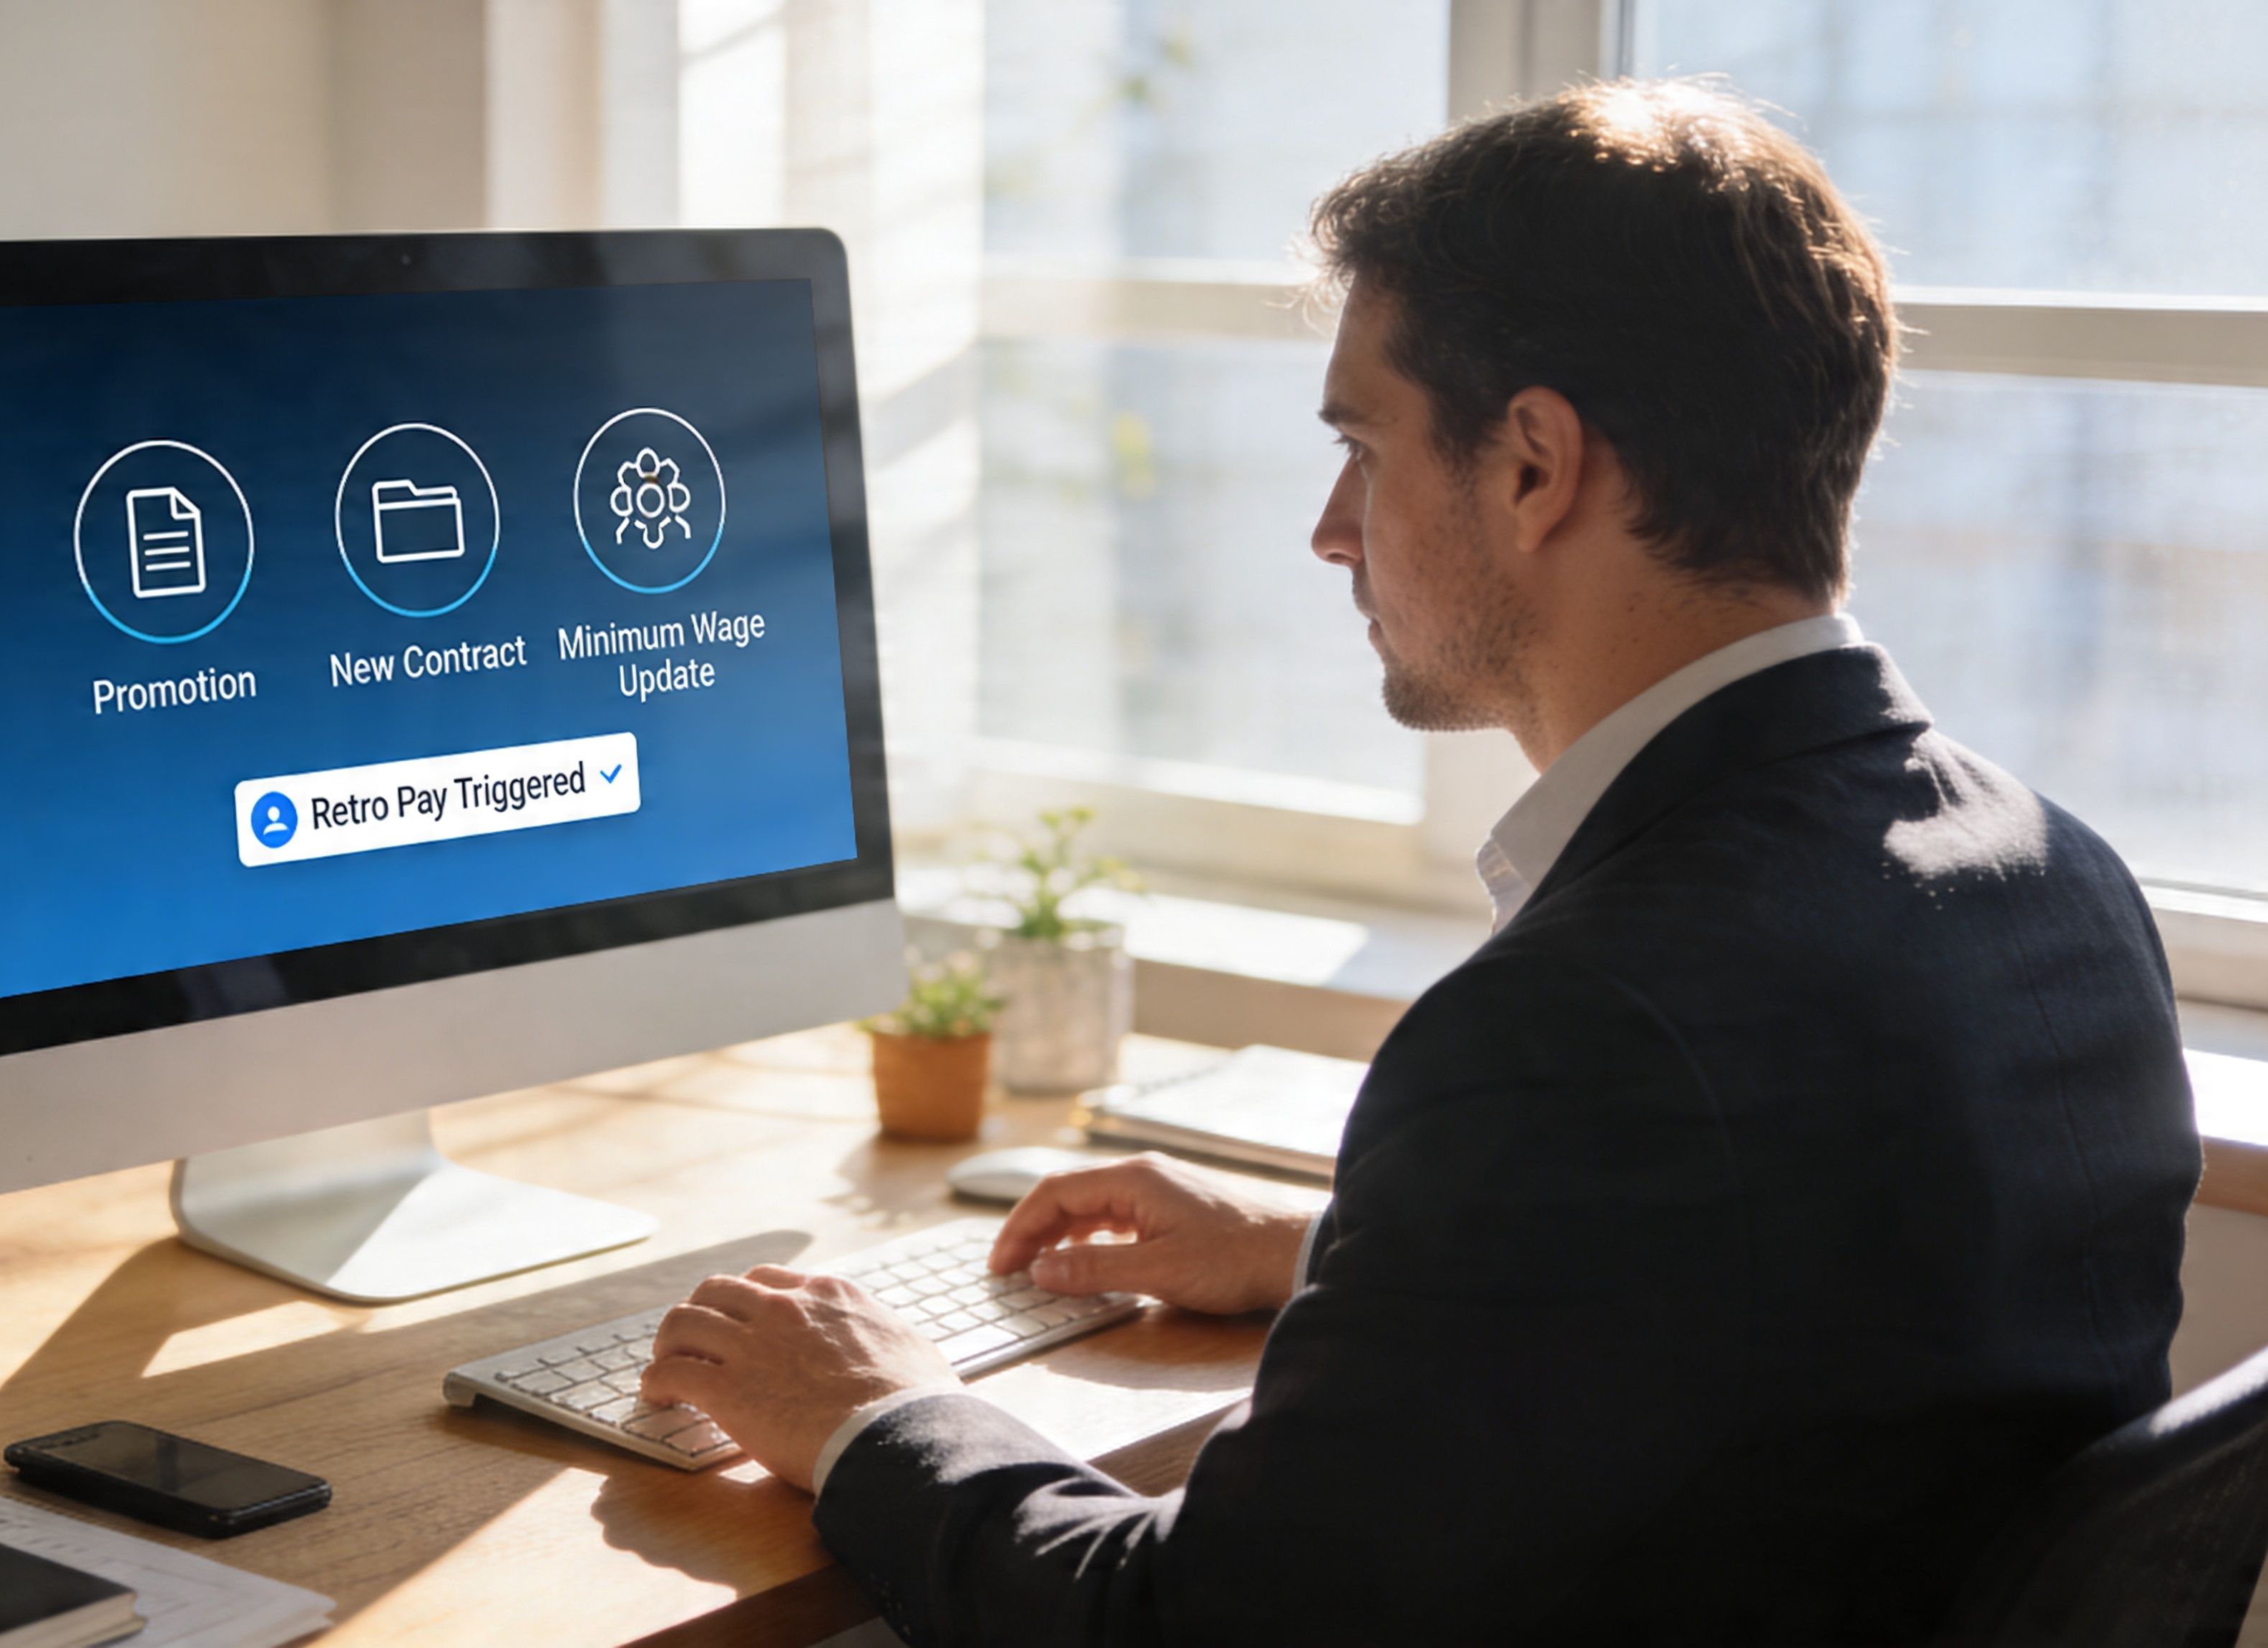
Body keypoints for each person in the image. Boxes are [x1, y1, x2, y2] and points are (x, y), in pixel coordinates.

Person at [638, 79, 2204, 1645]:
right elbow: (1809, 1321)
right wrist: (1336, 1257)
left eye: (1361, 445)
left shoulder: (1578, 1030)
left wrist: (867, 1411)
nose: (1330, 529)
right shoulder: (2056, 886)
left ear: (1532, 465)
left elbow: (1180, 1632)